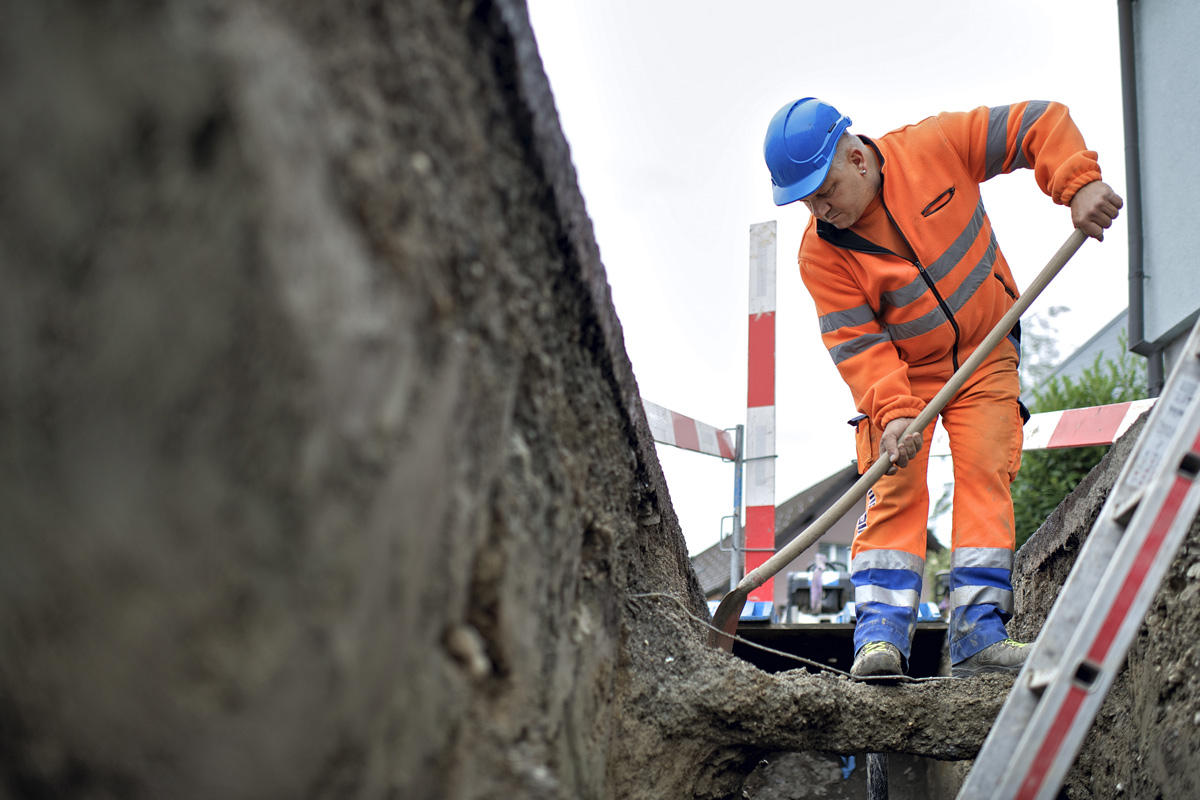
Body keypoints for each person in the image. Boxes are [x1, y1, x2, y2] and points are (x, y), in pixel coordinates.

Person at [763, 98, 1123, 678]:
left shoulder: (933, 147)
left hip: (987, 350)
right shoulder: (820, 253)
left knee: (985, 470)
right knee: (896, 484)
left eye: (824, 189)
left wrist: (1077, 183)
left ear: (857, 158)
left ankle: (979, 635)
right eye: (806, 200)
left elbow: (1037, 122)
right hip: (903, 378)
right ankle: (879, 638)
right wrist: (896, 413)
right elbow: (856, 345)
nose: (819, 208)